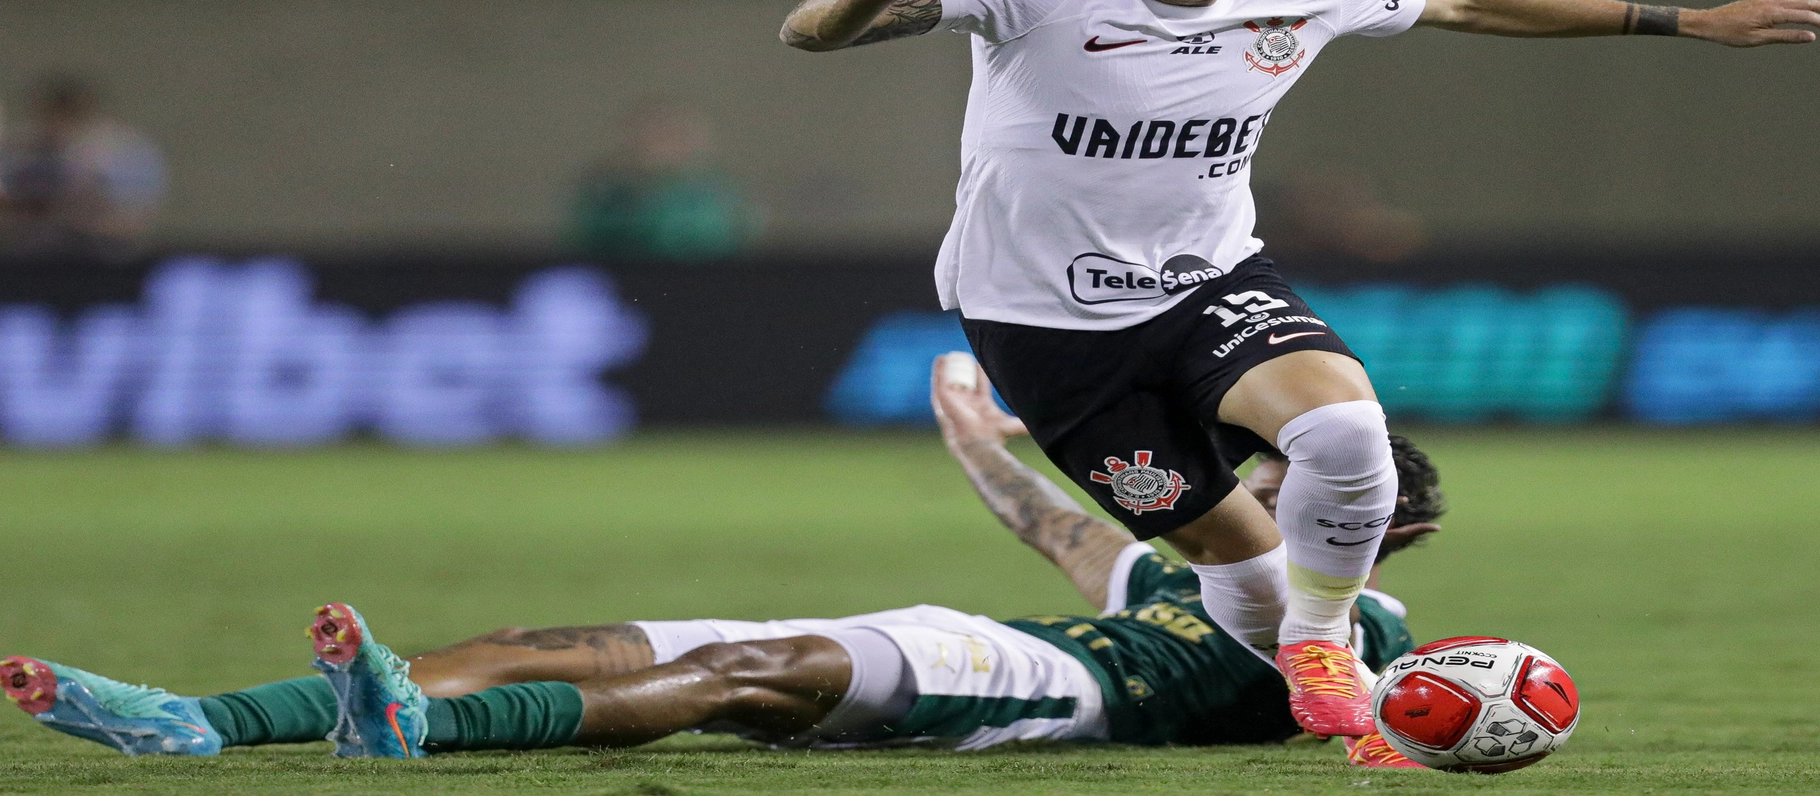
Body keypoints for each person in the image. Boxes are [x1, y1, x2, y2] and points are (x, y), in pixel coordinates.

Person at [777, 0, 1820, 736]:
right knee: (1238, 574)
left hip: (1208, 284)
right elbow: (808, 35)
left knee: (1343, 430)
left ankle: (1329, 649)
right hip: (1040, 321)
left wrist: (1690, 22)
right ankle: (1336, 686)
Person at [3, 359, 1445, 768]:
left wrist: (1437, 723)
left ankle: (418, 725)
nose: (1241, 496)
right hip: (956, 621)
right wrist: (975, 432)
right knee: (559, 637)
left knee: (733, 681)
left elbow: (1394, 719)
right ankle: (199, 720)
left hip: (1037, 689)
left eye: (1269, 482)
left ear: (1376, 525)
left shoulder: (1362, 630)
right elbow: (1067, 534)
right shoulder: (1195, 573)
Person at [0, 72, 167, 256]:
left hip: (104, 256)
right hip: (33, 258)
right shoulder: (25, 150)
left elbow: (134, 219)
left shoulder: (121, 152)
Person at [567, 100, 755, 260]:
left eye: (674, 134)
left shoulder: (715, 197)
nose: (662, 143)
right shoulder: (605, 196)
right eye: (655, 133)